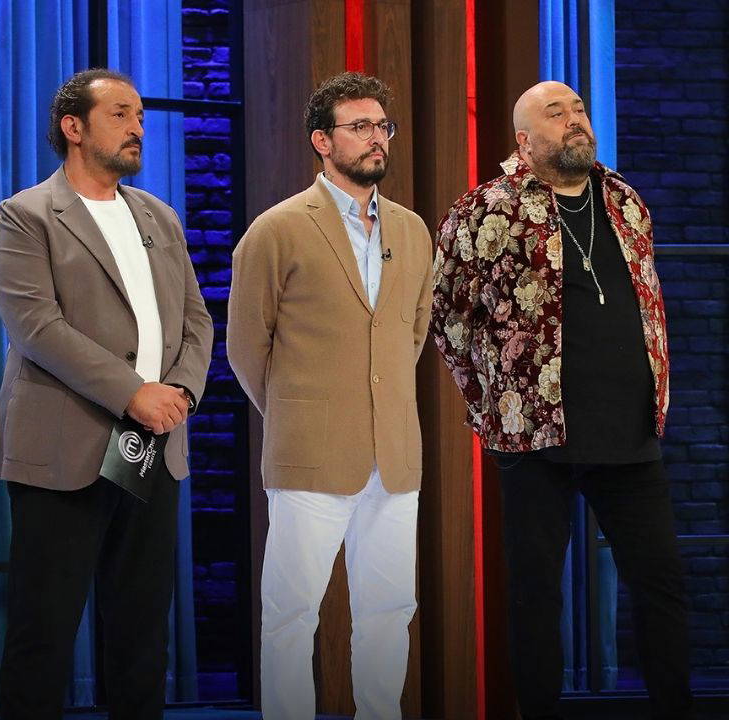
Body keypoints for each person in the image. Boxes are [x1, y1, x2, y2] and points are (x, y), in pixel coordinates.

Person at [428, 80, 693, 720]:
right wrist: (491, 405)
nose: (575, 119)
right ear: (524, 140)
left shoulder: (625, 200)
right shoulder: (483, 212)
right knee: (535, 595)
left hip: (628, 431)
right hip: (534, 437)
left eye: (578, 109)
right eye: (556, 113)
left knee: (661, 587)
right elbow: (448, 317)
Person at [0, 68, 213, 720]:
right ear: (73, 127)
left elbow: (196, 320)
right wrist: (134, 393)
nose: (137, 127)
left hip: (153, 447)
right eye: (120, 114)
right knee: (43, 633)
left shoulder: (159, 216)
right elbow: (37, 328)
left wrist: (179, 394)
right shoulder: (26, 215)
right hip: (63, 450)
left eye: (140, 115)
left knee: (142, 632)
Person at [228, 71, 433, 720]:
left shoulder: (413, 230)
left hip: (393, 454)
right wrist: (300, 414)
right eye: (360, 127)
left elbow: (411, 333)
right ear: (322, 141)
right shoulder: (277, 229)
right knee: (291, 615)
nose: (377, 139)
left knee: (390, 610)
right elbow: (246, 348)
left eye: (383, 126)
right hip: (309, 454)